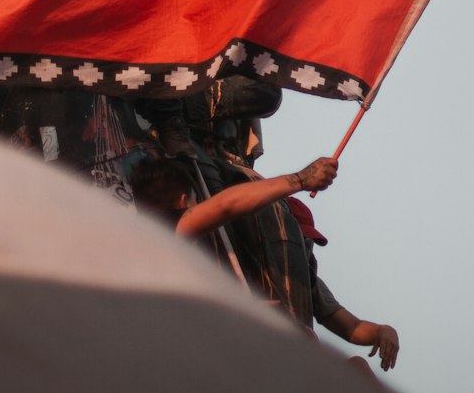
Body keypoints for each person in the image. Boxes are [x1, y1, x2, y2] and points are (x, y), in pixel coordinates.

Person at [288, 198, 399, 371]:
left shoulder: (308, 280)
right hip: (268, 354)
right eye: (301, 239)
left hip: (300, 365)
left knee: (359, 368)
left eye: (309, 240)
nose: (307, 246)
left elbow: (352, 327)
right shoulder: (253, 264)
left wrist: (383, 331)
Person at [130, 154, 338, 238]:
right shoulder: (167, 231)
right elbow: (225, 205)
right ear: (183, 201)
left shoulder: (118, 233)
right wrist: (300, 179)